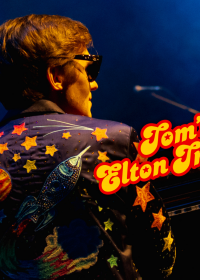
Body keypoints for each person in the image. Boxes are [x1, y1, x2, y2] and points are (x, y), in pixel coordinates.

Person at [0, 14, 176, 280]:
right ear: (56, 76)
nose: (94, 83)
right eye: (89, 69)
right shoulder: (115, 139)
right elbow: (161, 257)